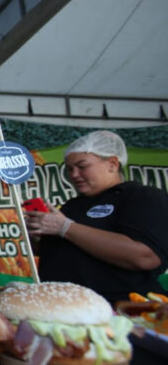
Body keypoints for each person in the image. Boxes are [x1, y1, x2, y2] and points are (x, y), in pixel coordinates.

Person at [25, 130, 168, 303]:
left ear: (112, 164)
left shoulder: (143, 197)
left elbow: (145, 257)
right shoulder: (72, 206)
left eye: (82, 166)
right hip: (63, 307)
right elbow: (60, 253)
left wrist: (67, 228)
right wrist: (37, 236)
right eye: (70, 169)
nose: (74, 175)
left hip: (122, 309)